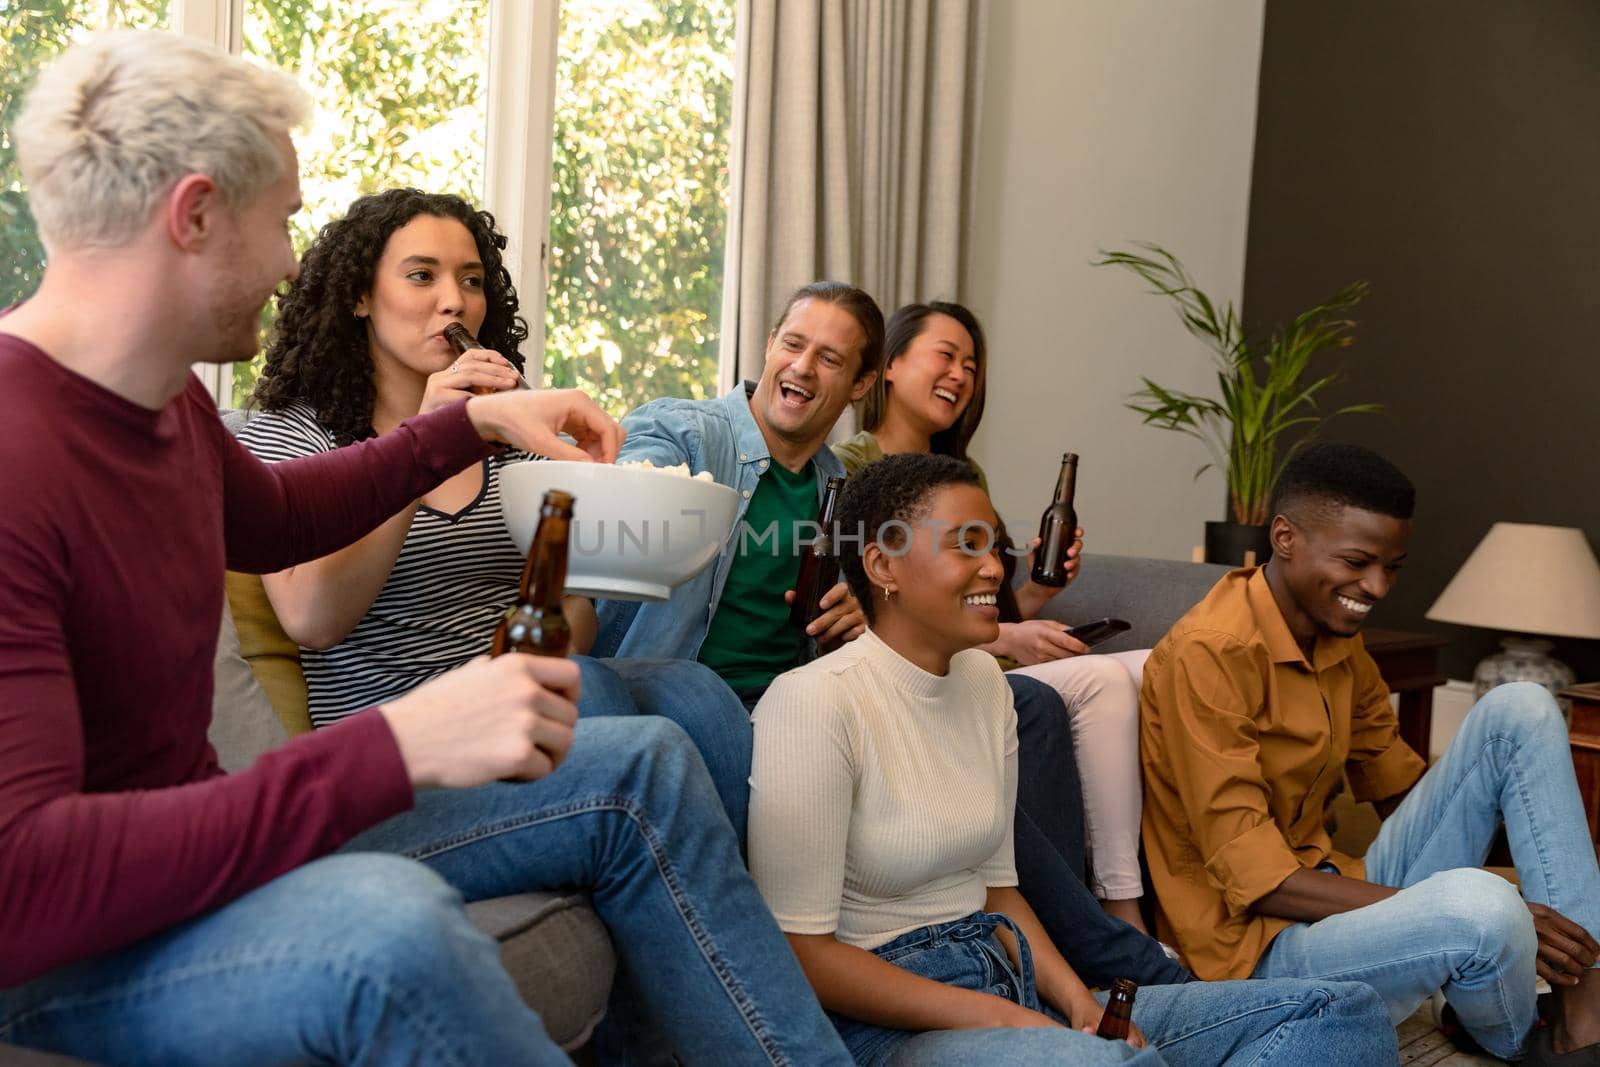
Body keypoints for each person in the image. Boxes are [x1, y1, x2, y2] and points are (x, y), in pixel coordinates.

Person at [0, 30, 852, 1065]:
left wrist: (471, 425)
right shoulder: (20, 456)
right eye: (282, 224)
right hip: (68, 959)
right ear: (194, 215)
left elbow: (277, 514)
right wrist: (398, 741)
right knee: (387, 930)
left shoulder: (162, 399)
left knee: (646, 764)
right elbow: (25, 883)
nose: (287, 265)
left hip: (199, 860)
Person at [747, 452, 1398, 1064]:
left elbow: (1000, 890)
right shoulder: (812, 703)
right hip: (893, 1026)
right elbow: (803, 954)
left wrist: (1075, 1002)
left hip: (1008, 979)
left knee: (1342, 1010)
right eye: (967, 543)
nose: (997, 567)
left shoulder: (982, 683)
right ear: (883, 565)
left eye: (995, 544)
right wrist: (1009, 1021)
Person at [237, 187, 753, 838]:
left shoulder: (513, 450)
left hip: (510, 712)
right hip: (404, 747)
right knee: (583, 690)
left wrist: (599, 515)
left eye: (472, 280)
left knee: (699, 695)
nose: (455, 300)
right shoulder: (294, 435)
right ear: (359, 296)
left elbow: (578, 621)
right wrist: (426, 439)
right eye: (422, 275)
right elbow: (313, 617)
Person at [1140, 442, 1600, 1064]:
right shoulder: (1211, 653)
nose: (1377, 587)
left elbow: (1401, 789)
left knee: (1521, 704)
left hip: (1340, 887)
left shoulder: (1331, 632)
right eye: (1358, 562)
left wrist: (1525, 858)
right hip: (1259, 948)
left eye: (1391, 567)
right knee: (1485, 910)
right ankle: (1517, 1039)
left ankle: (1584, 1023)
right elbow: (1262, 884)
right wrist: (1506, 905)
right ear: (1284, 537)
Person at [834, 299, 1151, 931]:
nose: (960, 374)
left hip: (982, 652)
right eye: (945, 356)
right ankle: (1121, 914)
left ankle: (1192, 894)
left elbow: (982, 606)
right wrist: (1012, 634)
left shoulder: (961, 474)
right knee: (1106, 681)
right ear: (890, 365)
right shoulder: (850, 471)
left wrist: (1035, 594)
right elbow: (880, 612)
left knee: (1158, 668)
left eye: (972, 366)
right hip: (935, 669)